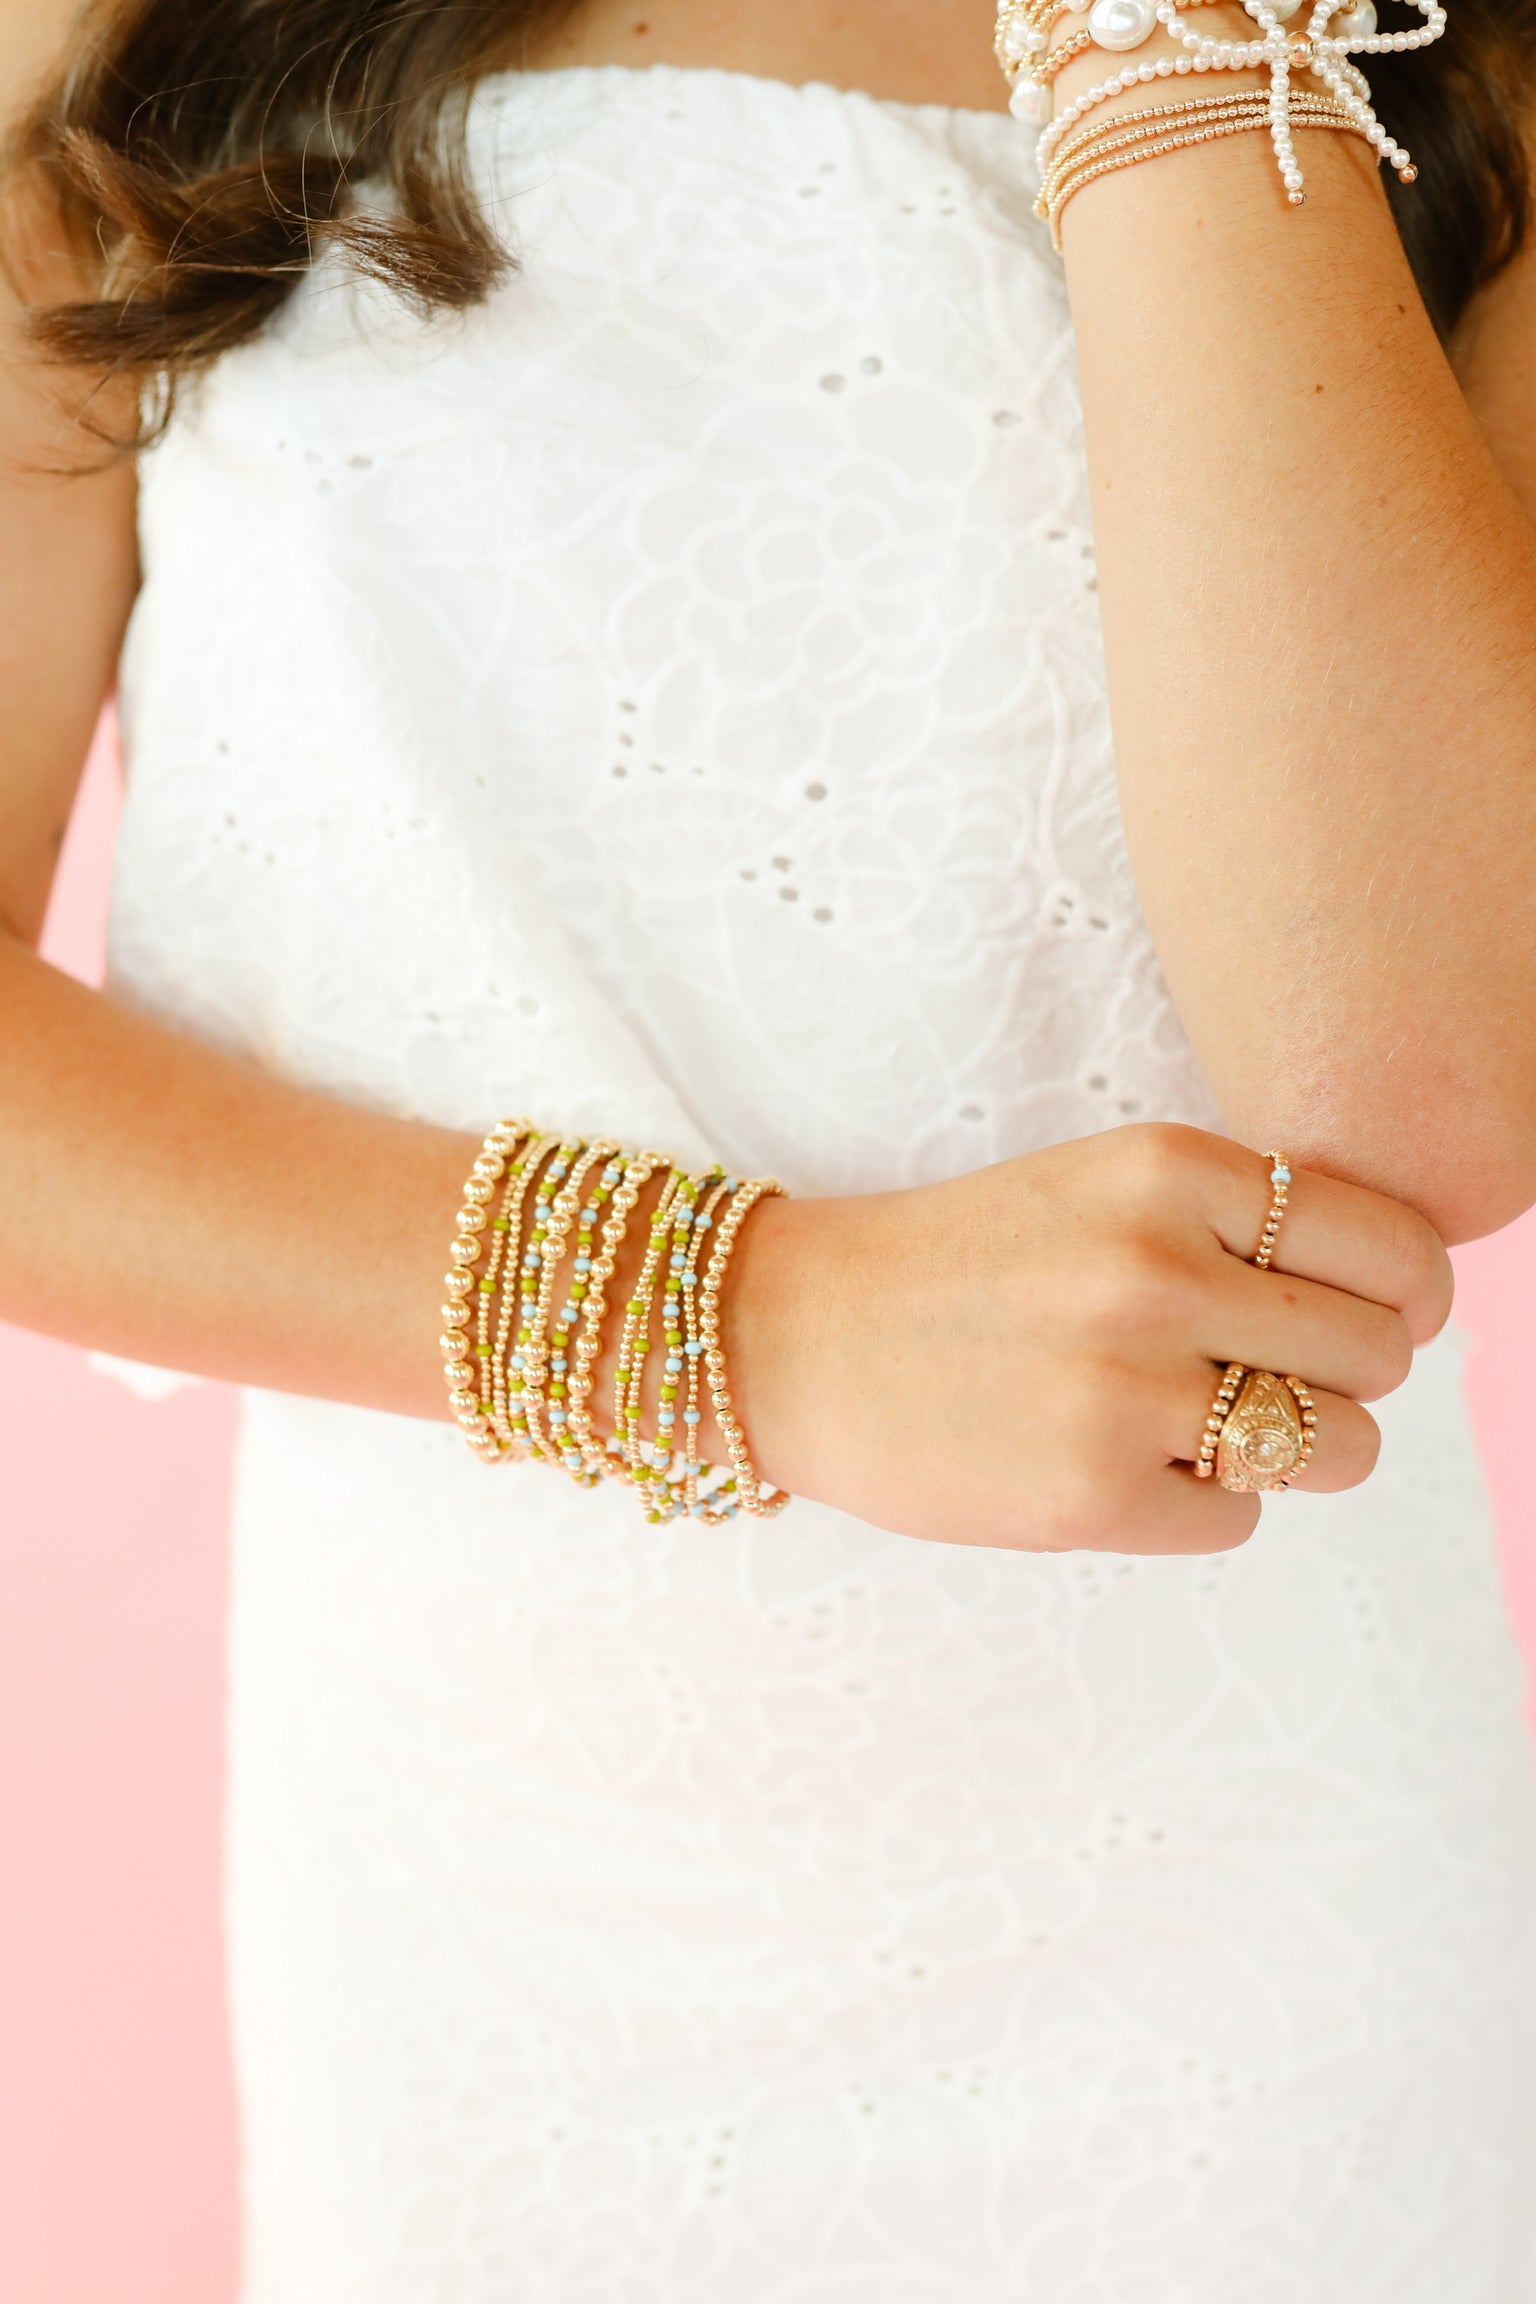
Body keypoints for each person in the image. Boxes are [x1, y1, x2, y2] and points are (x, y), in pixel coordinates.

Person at [4, 0, 1536, 2292]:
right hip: (490, 1899)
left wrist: (1173, 34)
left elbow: (1406, 1072)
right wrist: (743, 1319)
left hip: (1270, 1916)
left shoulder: (1460, 48)